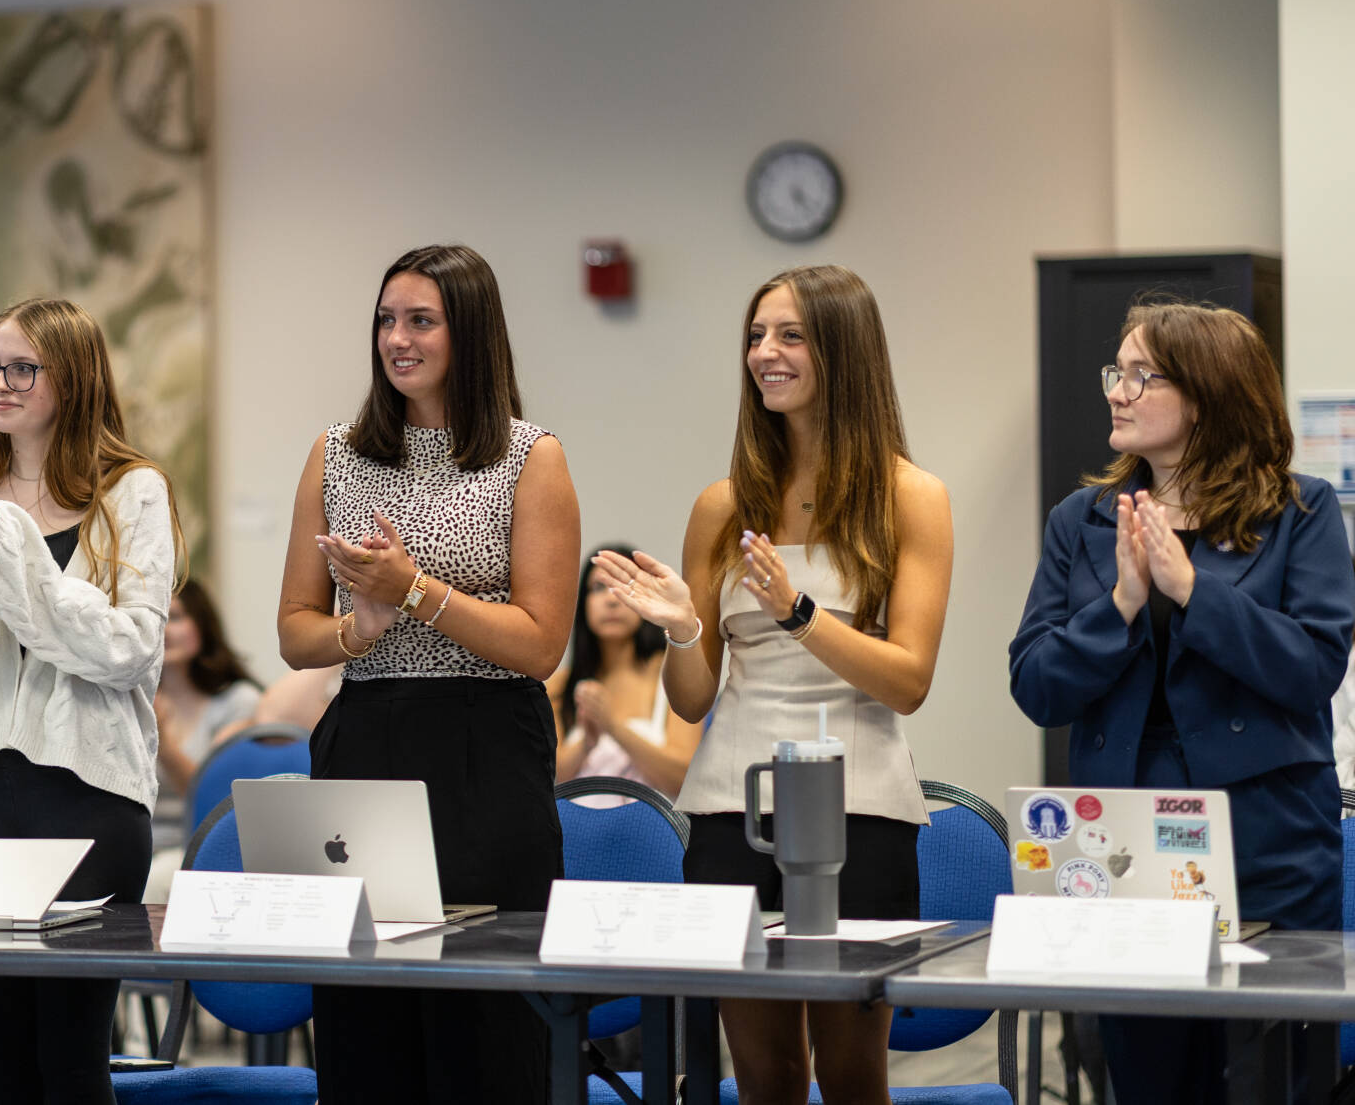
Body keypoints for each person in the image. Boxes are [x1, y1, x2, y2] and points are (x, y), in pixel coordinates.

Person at [592, 264, 952, 1103]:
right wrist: (684, 628)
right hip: (729, 809)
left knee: (853, 1072)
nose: (765, 353)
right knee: (763, 1074)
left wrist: (798, 614)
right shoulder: (723, 505)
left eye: (789, 335)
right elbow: (690, 698)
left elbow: (908, 681)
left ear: (843, 350)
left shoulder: (911, 498)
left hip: (860, 808)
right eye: (756, 336)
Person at [1009, 300, 1353, 1103]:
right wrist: (1122, 604)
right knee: (1150, 1077)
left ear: (1205, 394)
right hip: (1122, 847)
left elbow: (1312, 666)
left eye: (1140, 375)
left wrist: (1193, 590)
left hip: (1268, 843)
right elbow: (1035, 683)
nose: (1117, 392)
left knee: (1274, 1080)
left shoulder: (1300, 511)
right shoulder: (1083, 520)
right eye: (1115, 372)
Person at [277, 244, 579, 1105]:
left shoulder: (530, 457)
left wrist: (415, 590)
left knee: (482, 1037)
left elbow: (539, 643)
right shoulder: (335, 454)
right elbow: (296, 634)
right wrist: (358, 627)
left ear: (470, 333)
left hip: (486, 748)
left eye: (420, 321)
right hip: (366, 736)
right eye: (385, 319)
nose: (397, 339)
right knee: (366, 1030)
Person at [0, 297, 183, 1105]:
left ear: (75, 375)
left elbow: (128, 651)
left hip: (89, 798)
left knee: (70, 1060)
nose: (0, 384)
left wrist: (15, 571)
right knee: (7, 1068)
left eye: (23, 367)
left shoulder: (134, 492)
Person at [547, 544, 701, 798]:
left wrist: (612, 726)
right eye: (598, 588)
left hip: (651, 828)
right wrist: (587, 743)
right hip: (576, 828)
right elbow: (555, 782)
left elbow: (682, 780)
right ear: (582, 603)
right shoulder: (560, 685)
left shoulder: (671, 676)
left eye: (623, 584)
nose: (611, 599)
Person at [155, 578, 261, 799]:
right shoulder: (131, 699)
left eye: (174, 617)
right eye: (154, 619)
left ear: (203, 625)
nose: (162, 630)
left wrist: (164, 744)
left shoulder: (239, 702)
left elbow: (213, 795)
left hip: (203, 832)